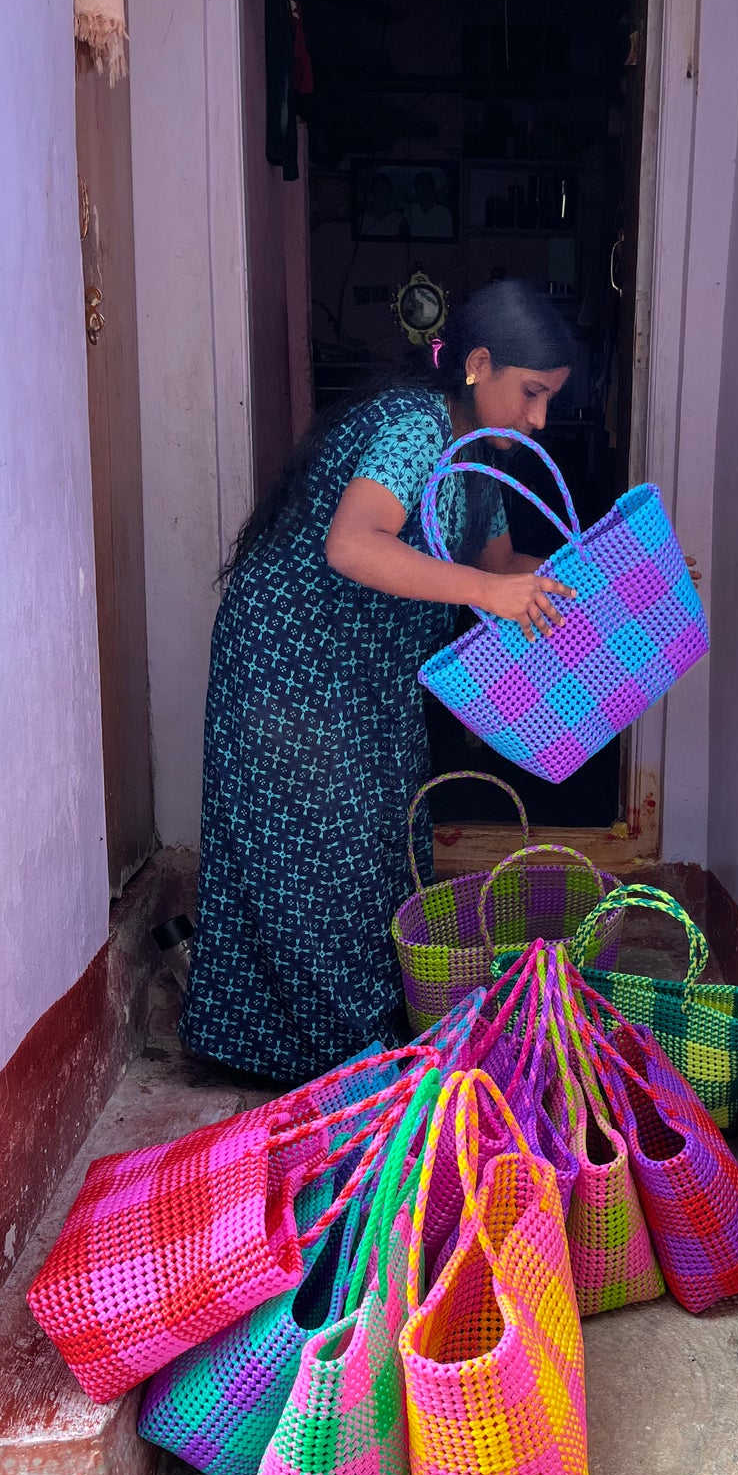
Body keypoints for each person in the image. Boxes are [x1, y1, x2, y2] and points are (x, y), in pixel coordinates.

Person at [181, 280, 575, 1084]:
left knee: (384, 841)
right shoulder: (413, 429)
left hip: (366, 670)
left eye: (549, 401)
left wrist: (601, 580)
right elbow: (352, 546)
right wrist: (489, 594)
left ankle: (358, 1034)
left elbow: (497, 565)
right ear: (477, 365)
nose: (539, 420)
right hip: (291, 663)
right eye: (531, 393)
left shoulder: (479, 460)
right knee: (317, 853)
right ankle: (335, 1055)